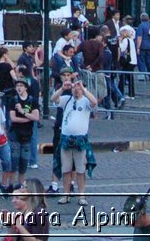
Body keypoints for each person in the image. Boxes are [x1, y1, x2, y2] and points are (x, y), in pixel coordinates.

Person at [55, 71, 97, 205]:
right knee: (66, 169)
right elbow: (53, 99)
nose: (76, 91)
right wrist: (63, 88)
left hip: (80, 139)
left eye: (78, 88)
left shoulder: (85, 101)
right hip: (66, 138)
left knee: (80, 170)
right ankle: (65, 195)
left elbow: (94, 102)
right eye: (74, 88)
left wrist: (84, 89)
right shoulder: (67, 99)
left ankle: (81, 196)